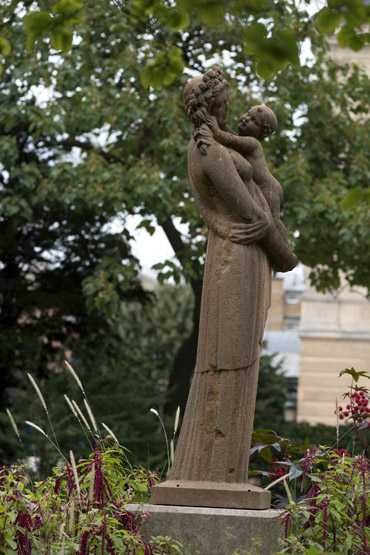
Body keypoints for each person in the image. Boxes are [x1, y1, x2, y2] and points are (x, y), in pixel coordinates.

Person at [168, 66, 297, 485]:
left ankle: (224, 469)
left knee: (240, 357)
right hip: (237, 256)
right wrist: (286, 256)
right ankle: (213, 469)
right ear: (213, 106)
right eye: (225, 103)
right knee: (229, 359)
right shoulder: (209, 149)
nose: (232, 110)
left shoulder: (218, 143)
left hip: (243, 253)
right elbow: (250, 213)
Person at [210, 105, 290, 246]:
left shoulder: (253, 143)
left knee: (274, 221)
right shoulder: (244, 139)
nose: (246, 119)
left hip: (269, 188)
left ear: (261, 133)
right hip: (265, 186)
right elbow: (231, 134)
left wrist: (215, 128)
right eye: (247, 114)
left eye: (254, 121)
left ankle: (284, 244)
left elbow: (228, 139)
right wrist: (221, 124)